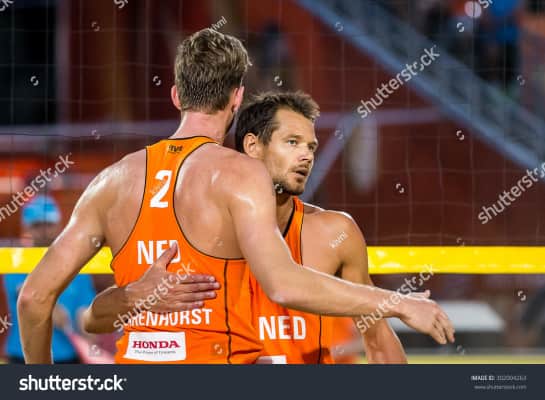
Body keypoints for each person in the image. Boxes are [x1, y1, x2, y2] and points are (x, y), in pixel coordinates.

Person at [19, 28, 454, 364]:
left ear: (176, 95)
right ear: (238, 97)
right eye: (294, 143)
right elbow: (283, 284)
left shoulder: (110, 182)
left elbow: (34, 299)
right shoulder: (240, 175)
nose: (305, 154)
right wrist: (397, 302)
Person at [4, 195, 96, 363]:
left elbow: (85, 312)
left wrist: (87, 327)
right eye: (37, 225)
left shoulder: (77, 264)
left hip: (68, 358)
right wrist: (52, 310)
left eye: (48, 224)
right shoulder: (17, 260)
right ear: (26, 228)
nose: (44, 230)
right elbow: (26, 294)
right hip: (22, 358)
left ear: (60, 225)